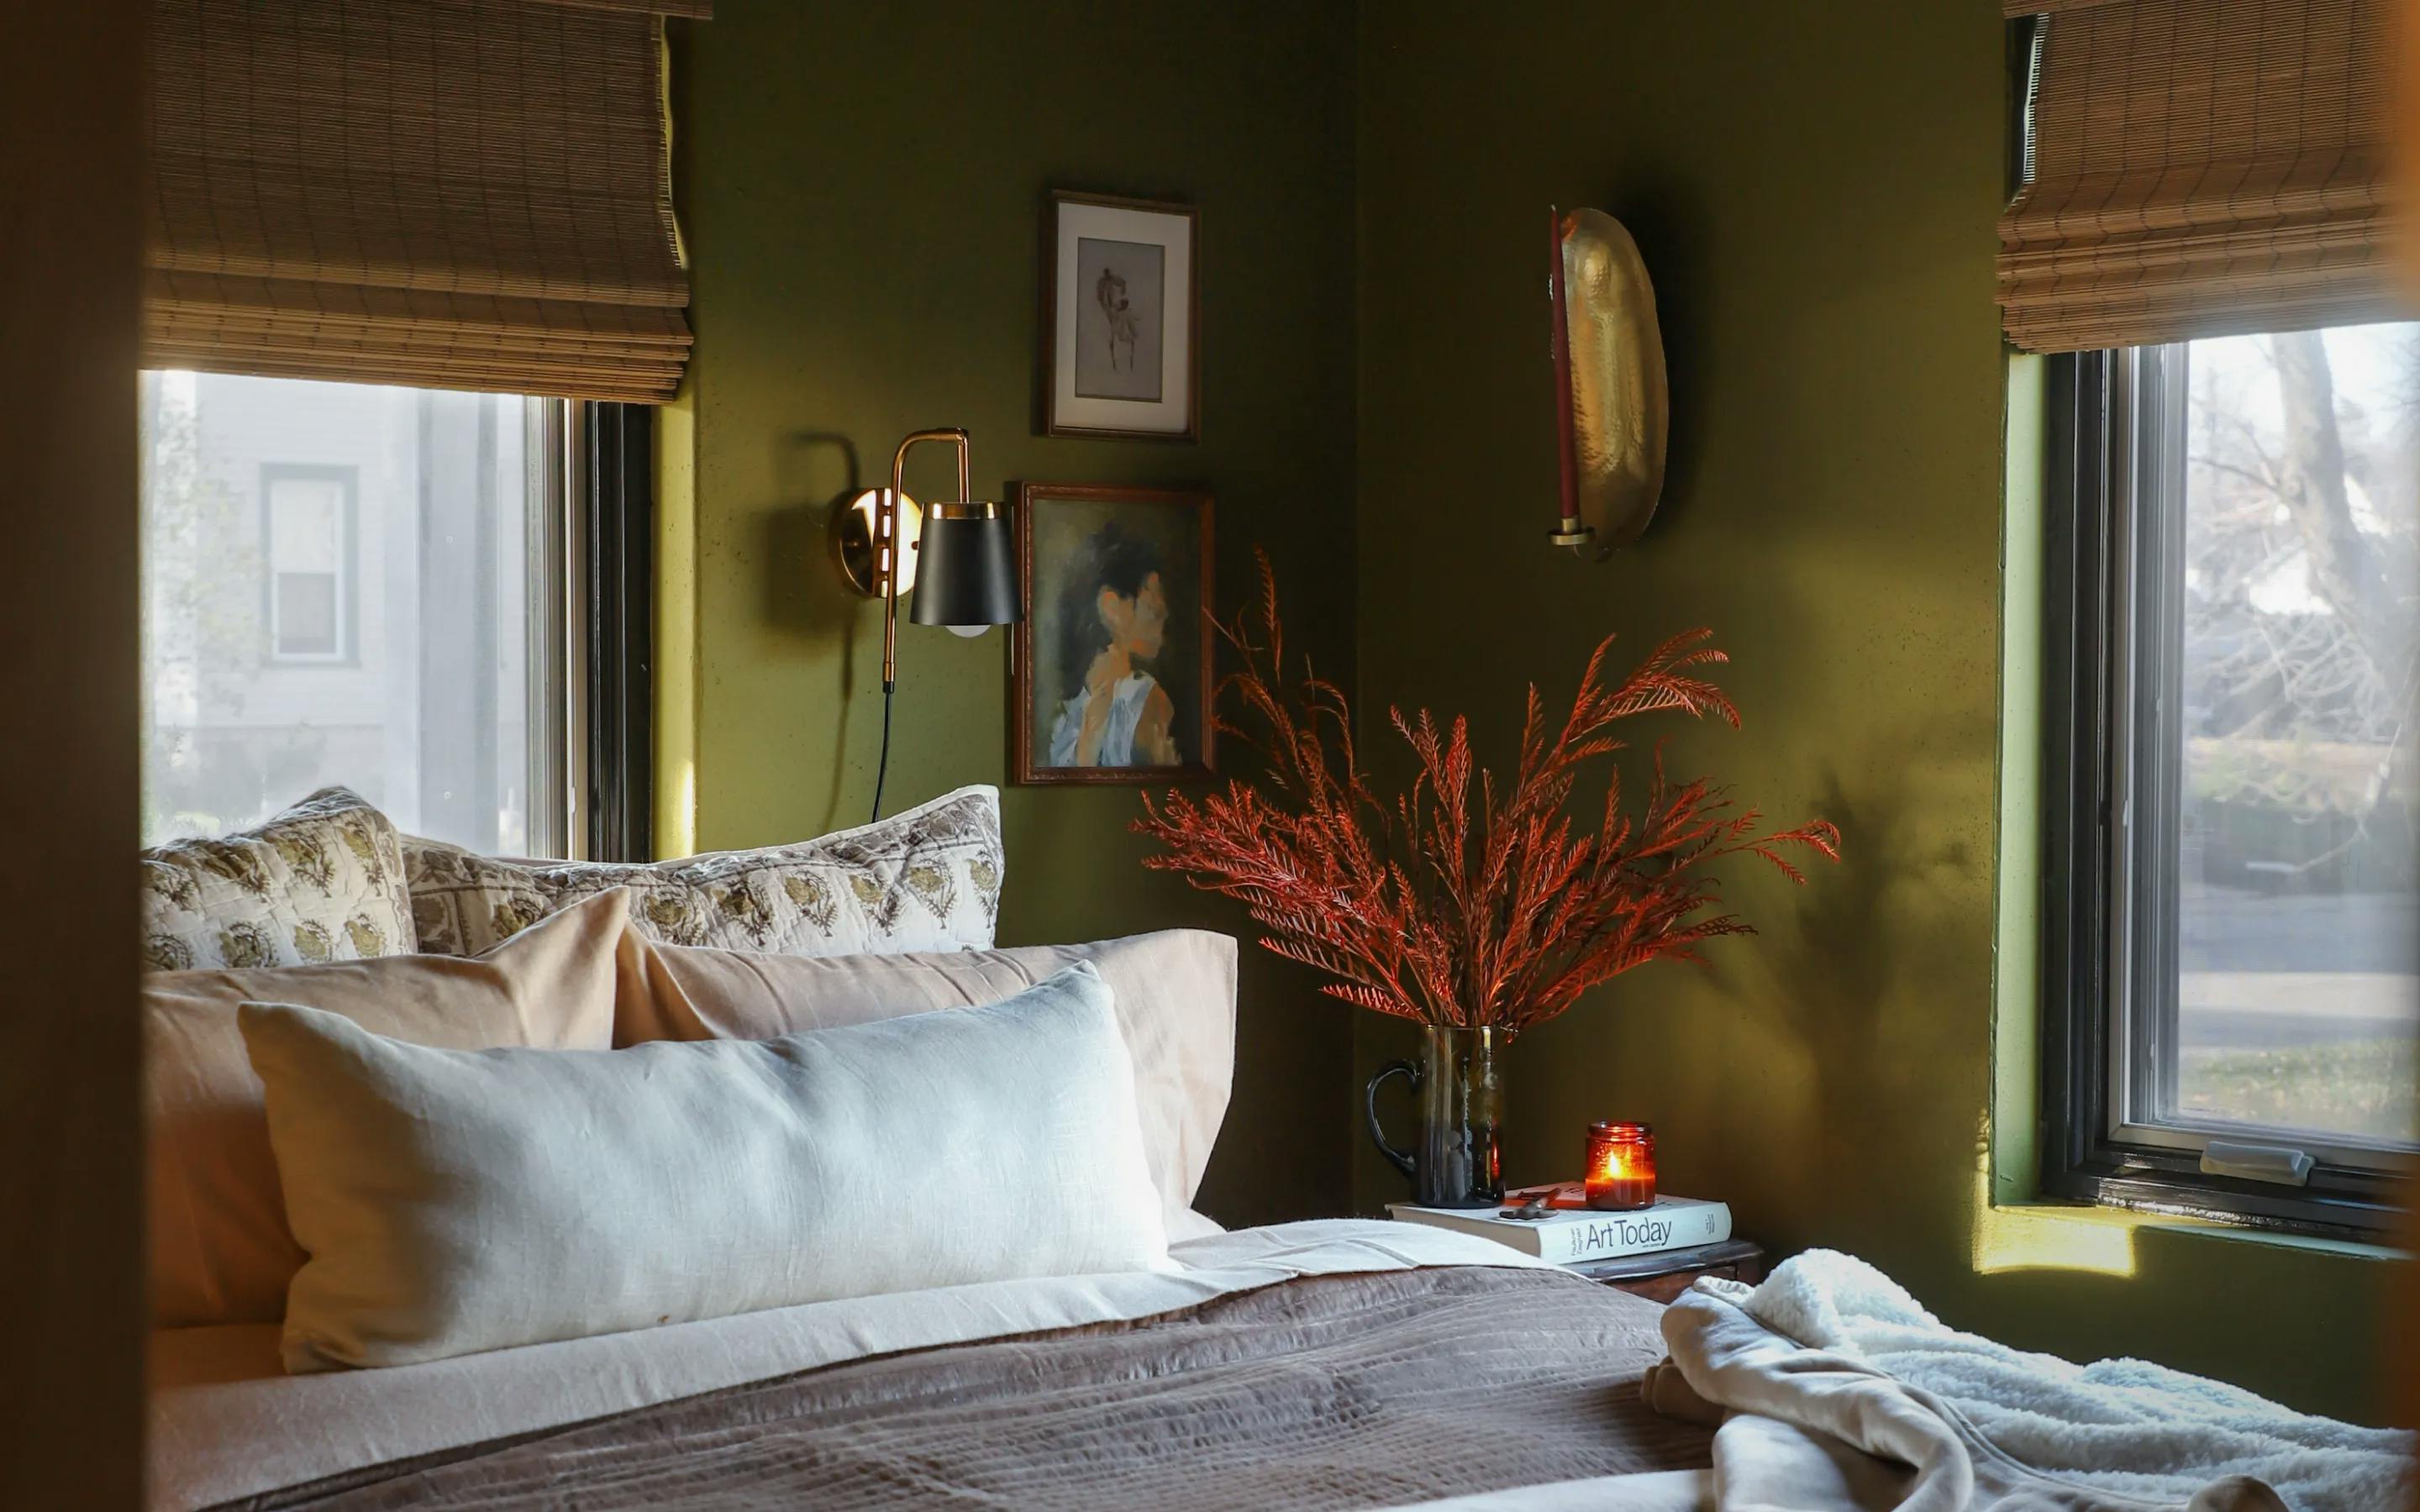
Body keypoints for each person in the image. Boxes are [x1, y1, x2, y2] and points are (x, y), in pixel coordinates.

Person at [1048, 522, 1179, 768]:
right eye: (1152, 600)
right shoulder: (1147, 702)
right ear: (1111, 608)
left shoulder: (1066, 716)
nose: (1165, 611)